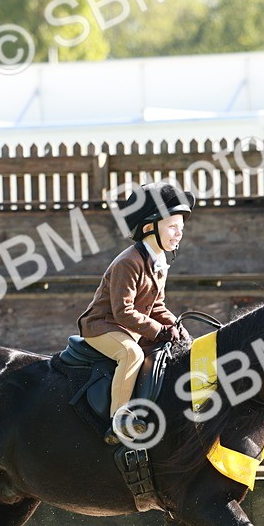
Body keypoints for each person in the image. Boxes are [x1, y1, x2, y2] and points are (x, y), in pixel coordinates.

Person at [78, 183, 195, 445]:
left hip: (127, 327)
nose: (179, 234)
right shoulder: (128, 262)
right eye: (173, 227)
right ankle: (119, 420)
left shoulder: (159, 260)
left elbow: (157, 305)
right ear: (149, 227)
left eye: (181, 229)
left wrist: (175, 327)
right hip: (102, 326)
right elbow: (123, 311)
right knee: (131, 354)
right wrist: (157, 330)